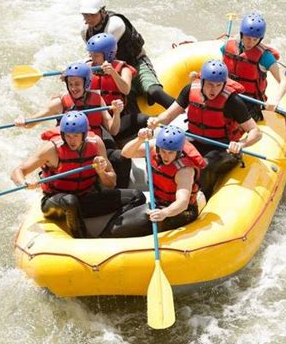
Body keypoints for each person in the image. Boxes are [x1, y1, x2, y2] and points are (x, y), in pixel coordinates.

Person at [11, 111, 145, 238]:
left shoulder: (96, 144)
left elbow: (111, 183)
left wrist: (101, 172)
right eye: (68, 136)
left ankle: (108, 234)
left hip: (85, 198)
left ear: (84, 134)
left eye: (75, 136)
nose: (72, 140)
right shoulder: (52, 150)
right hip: (56, 202)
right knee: (70, 201)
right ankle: (81, 239)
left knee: (136, 196)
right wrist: (25, 183)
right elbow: (18, 171)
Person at [147, 60, 262, 198]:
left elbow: (256, 132)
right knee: (162, 153)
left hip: (222, 148)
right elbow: (169, 115)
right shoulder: (190, 89)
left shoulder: (233, 101)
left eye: (218, 85)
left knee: (204, 165)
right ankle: (166, 192)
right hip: (196, 140)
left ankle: (203, 197)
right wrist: (157, 120)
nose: (214, 90)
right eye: (210, 85)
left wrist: (241, 144)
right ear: (202, 81)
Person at [14, 62, 132, 188]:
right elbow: (32, 121)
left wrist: (116, 113)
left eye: (77, 84)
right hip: (69, 149)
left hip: (94, 147)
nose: (73, 88)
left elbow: (113, 130)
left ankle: (117, 190)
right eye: (70, 84)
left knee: (120, 158)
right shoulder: (59, 103)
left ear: (86, 84)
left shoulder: (97, 99)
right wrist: (23, 121)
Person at [100, 125, 206, 238]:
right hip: (158, 203)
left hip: (180, 212)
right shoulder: (154, 147)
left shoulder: (184, 171)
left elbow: (183, 203)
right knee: (117, 227)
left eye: (170, 153)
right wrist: (139, 139)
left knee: (121, 229)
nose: (166, 156)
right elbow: (126, 153)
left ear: (178, 152)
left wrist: (164, 213)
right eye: (163, 151)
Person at [79, 0, 175, 109]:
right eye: (85, 15)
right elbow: (93, 56)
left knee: (154, 91)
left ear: (103, 12)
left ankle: (181, 113)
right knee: (127, 104)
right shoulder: (85, 31)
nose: (88, 19)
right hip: (116, 71)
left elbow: (105, 50)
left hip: (136, 63)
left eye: (92, 15)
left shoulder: (115, 25)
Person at [221, 12, 286, 121]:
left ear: (260, 39)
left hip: (250, 102)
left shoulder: (265, 57)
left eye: (255, 39)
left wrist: (275, 100)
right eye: (248, 38)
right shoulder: (228, 46)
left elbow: (284, 81)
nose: (251, 43)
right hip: (227, 93)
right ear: (241, 34)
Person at [86, 32, 149, 144]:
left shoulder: (123, 69)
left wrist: (113, 73)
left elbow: (125, 89)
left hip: (117, 117)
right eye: (91, 55)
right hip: (97, 116)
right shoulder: (88, 67)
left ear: (108, 55)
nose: (92, 58)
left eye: (96, 55)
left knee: (143, 119)